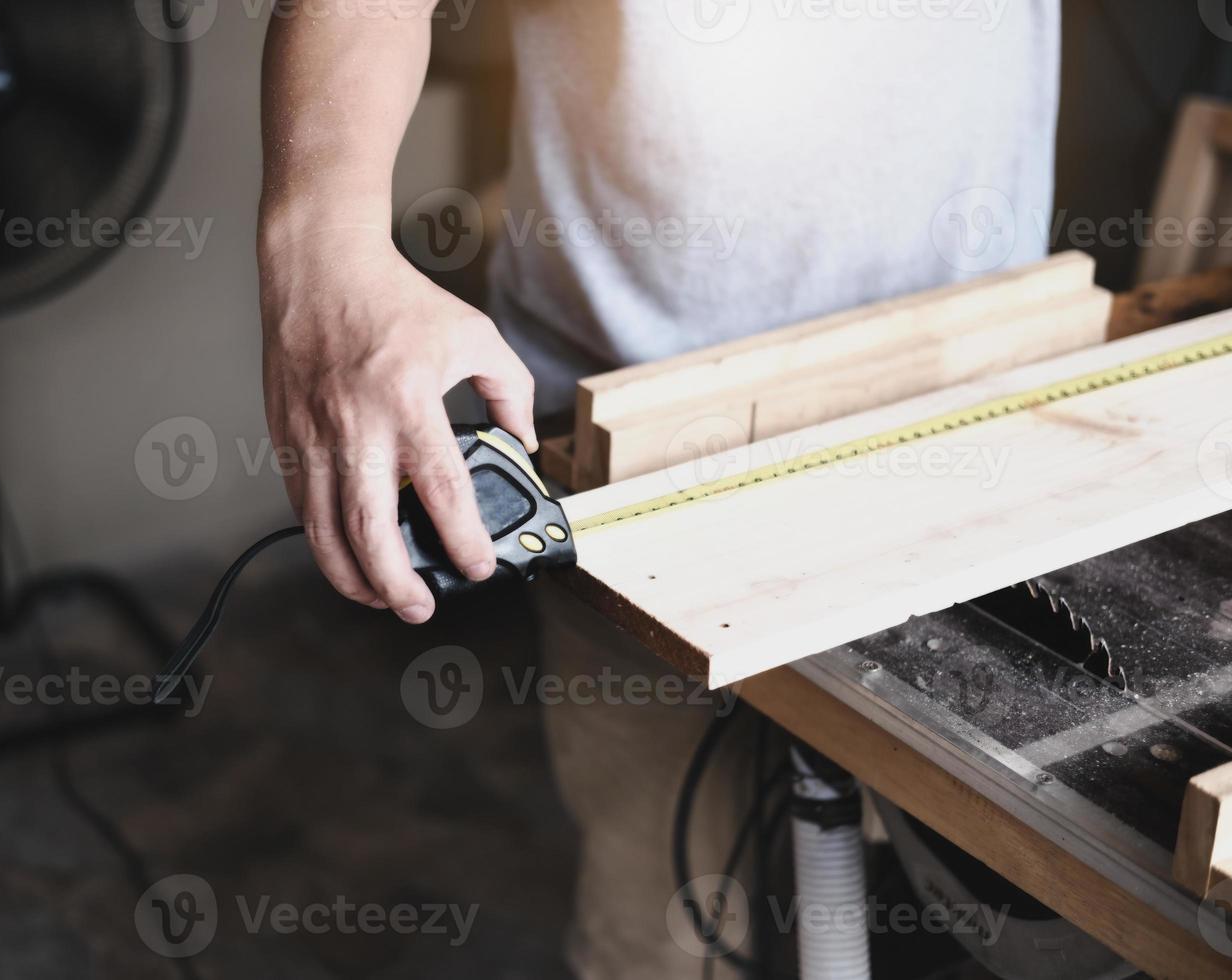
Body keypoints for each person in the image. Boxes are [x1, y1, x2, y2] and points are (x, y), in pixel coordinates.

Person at [256, 2, 1059, 975]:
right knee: (662, 931)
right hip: (631, 430)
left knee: (959, 909)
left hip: (976, 394)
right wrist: (319, 242)